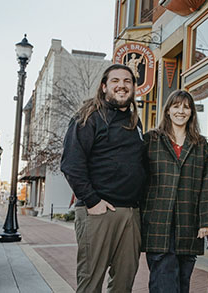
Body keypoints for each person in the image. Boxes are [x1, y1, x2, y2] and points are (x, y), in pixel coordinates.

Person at [61, 64, 147, 293]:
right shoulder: (89, 116)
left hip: (130, 213)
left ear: (133, 87)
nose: (122, 85)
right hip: (99, 211)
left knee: (124, 282)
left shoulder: (134, 122)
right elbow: (71, 164)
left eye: (127, 81)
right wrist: (92, 201)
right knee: (91, 282)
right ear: (104, 86)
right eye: (116, 81)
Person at [140, 89, 208, 292]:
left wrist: (206, 221)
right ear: (167, 110)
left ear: (191, 112)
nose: (181, 111)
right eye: (176, 106)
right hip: (158, 222)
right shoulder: (151, 140)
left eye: (186, 107)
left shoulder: (200, 145)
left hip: (188, 223)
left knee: (183, 282)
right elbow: (138, 179)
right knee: (163, 282)